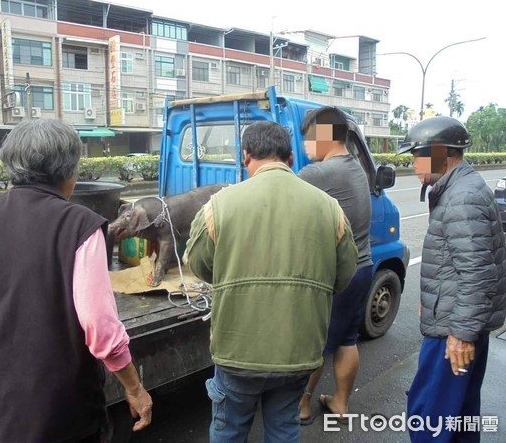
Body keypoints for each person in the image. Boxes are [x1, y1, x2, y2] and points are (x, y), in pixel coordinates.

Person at [0, 119, 152, 443]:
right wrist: (135, 389)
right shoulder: (80, 226)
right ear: (69, 173)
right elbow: (100, 327)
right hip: (53, 418)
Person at [183, 121, 358, 443]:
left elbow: (200, 266)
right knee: (283, 429)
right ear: (291, 158)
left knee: (230, 431)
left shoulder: (218, 206)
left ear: (245, 156)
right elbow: (344, 275)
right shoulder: (329, 209)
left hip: (237, 351)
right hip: (298, 352)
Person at [397, 116, 506, 442]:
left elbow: (477, 273)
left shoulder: (462, 197)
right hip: (462, 321)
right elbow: (454, 263)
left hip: (454, 331)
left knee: (432, 416)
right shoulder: (461, 187)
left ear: (440, 152)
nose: (414, 164)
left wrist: (460, 333)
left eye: (417, 155)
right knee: (459, 416)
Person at [296, 106, 373, 425]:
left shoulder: (317, 174)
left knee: (314, 342)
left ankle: (301, 406)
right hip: (363, 267)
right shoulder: (355, 167)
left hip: (335, 275)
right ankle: (340, 402)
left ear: (326, 136)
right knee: (347, 338)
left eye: (308, 138)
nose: (304, 145)